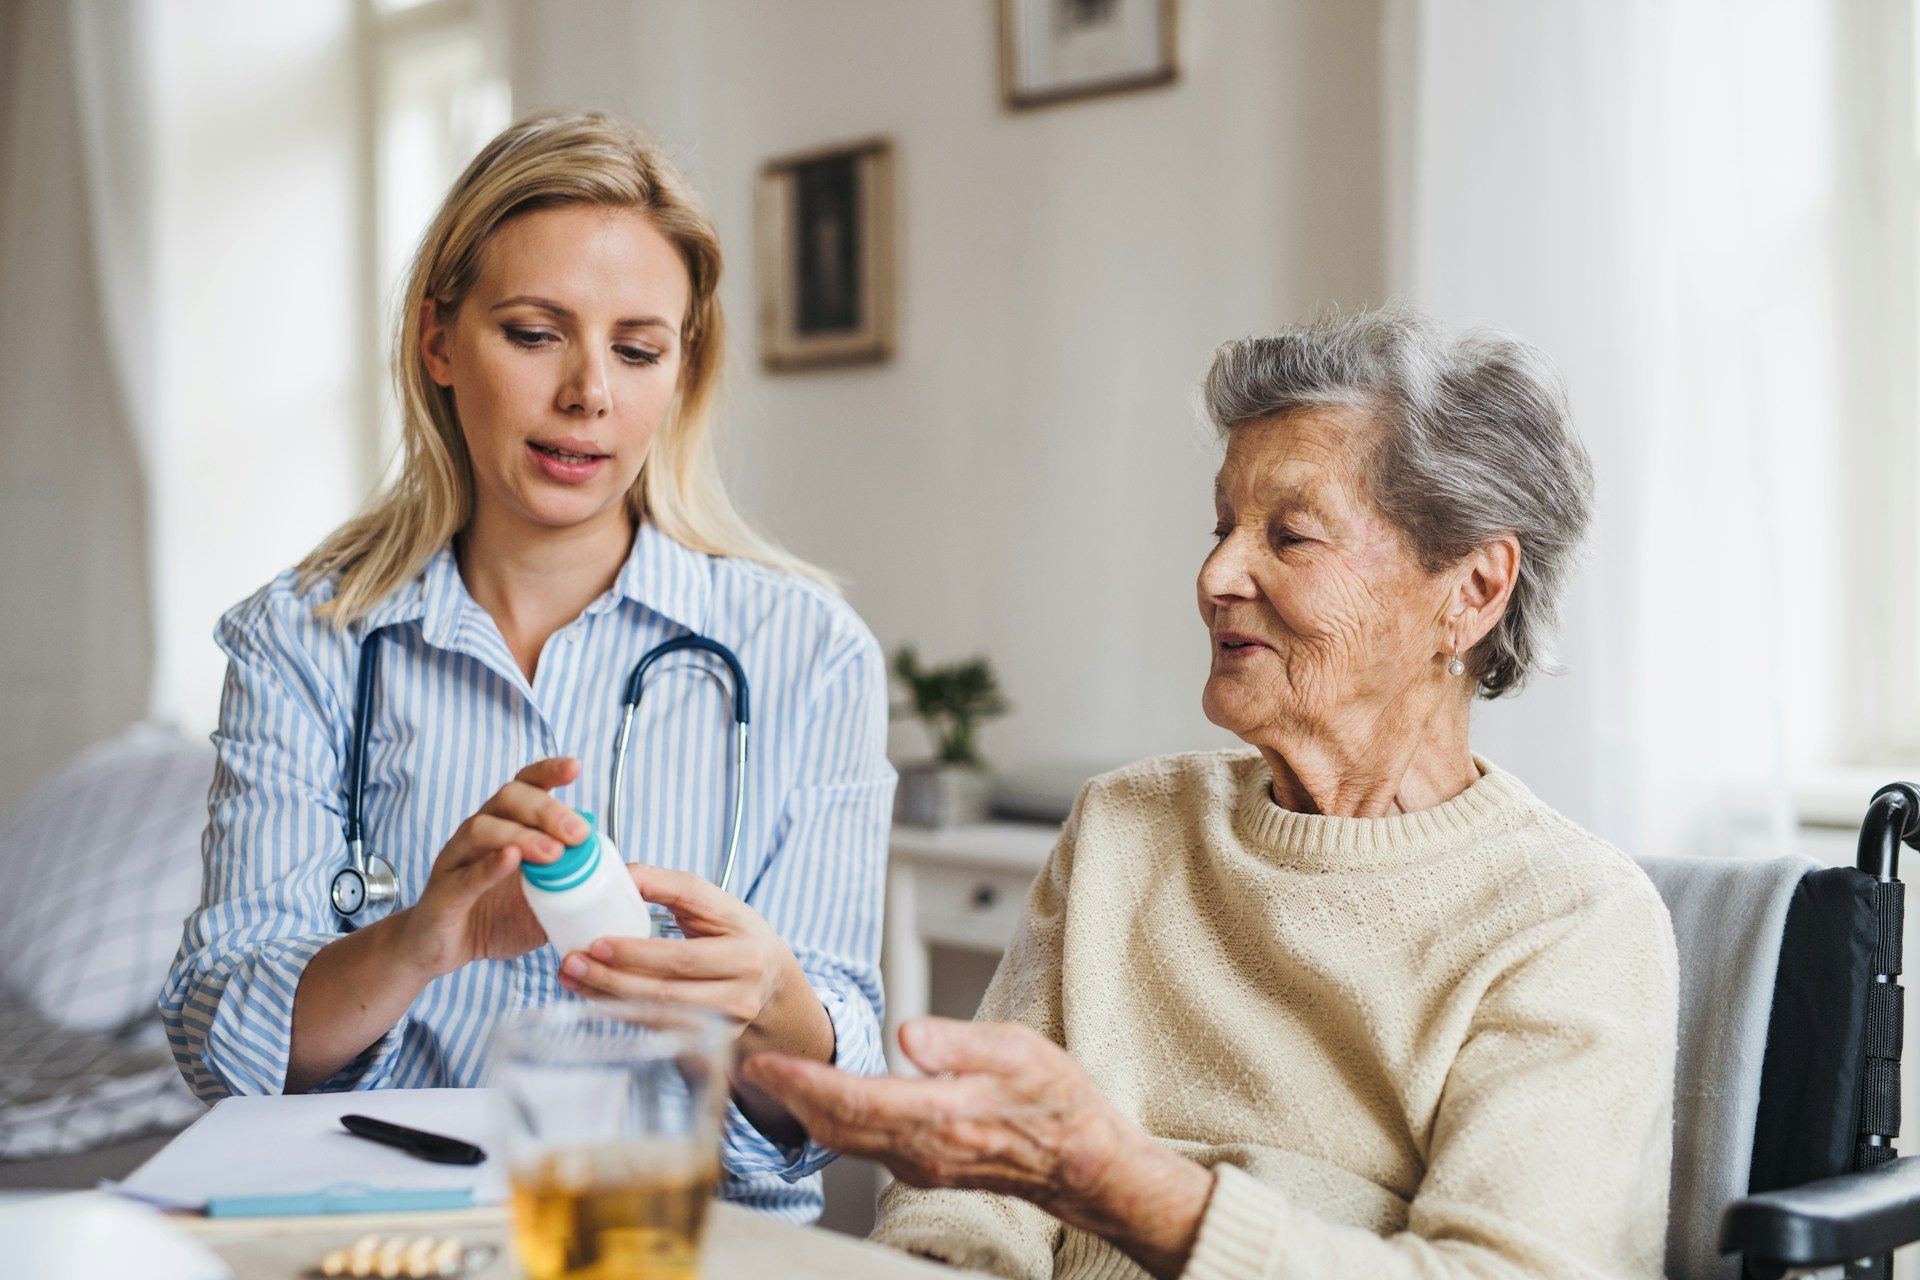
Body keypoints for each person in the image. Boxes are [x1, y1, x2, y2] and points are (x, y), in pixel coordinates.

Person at [744, 307, 1678, 1276]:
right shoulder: (1126, 827)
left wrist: (1118, 1182)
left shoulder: (1571, 920)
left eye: (1292, 535)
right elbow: (972, 1186)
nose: (1217, 573)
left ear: (1474, 589)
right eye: (1223, 525)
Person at [159, 111, 894, 1223]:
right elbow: (222, 1040)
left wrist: (771, 998)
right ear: (439, 341)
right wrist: (418, 941)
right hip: (376, 1231)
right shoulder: (302, 639)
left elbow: (832, 1090)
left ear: (680, 370)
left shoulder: (807, 652)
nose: (589, 392)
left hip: (676, 1235)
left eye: (638, 349)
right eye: (536, 332)